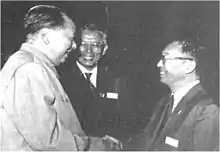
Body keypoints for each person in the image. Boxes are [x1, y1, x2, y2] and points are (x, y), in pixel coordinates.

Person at [0, 5, 121, 151]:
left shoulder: (34, 66)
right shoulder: (30, 70)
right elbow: (49, 141)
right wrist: (100, 146)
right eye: (70, 38)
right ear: (45, 37)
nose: (75, 46)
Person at [123, 39, 219, 150]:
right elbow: (148, 142)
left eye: (165, 58)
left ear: (188, 66)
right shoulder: (166, 101)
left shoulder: (207, 110)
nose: (158, 64)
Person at [57, 23, 137, 140]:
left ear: (104, 49)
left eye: (95, 45)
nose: (88, 51)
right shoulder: (61, 78)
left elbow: (128, 119)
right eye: (83, 44)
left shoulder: (117, 79)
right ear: (73, 47)